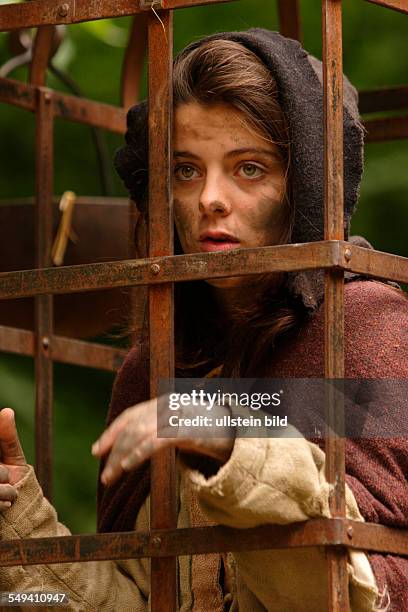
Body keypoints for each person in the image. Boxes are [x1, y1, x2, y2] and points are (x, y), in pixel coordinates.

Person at [0, 28, 407, 611]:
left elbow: (359, 589)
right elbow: (138, 602)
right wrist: (20, 525)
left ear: (307, 187)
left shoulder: (372, 330)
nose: (210, 199)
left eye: (249, 169)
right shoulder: (154, 369)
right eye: (186, 171)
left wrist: (219, 430)